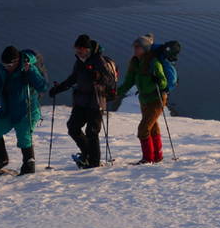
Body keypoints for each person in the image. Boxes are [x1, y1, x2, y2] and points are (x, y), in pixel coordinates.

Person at [0, 46, 47, 175]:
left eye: (9, 64)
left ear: (17, 62)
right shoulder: (3, 70)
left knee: (24, 137)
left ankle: (29, 164)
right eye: (4, 64)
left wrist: (31, 71)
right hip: (8, 110)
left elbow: (43, 87)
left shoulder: (28, 68)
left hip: (26, 111)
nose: (7, 67)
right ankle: (1, 158)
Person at [49, 34, 109, 169]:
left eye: (80, 49)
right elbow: (73, 78)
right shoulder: (79, 62)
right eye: (77, 49)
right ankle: (87, 154)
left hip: (96, 101)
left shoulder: (98, 60)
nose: (78, 52)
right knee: (73, 127)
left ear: (87, 49)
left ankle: (94, 162)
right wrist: (58, 89)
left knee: (92, 132)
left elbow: (108, 79)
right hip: (81, 101)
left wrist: (98, 75)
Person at [116, 34, 168, 164]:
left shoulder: (153, 63)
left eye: (138, 47)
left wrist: (157, 81)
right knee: (152, 127)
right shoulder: (135, 62)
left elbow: (163, 83)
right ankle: (157, 156)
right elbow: (129, 81)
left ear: (145, 49)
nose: (135, 50)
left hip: (157, 99)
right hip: (144, 100)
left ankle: (148, 159)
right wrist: (116, 93)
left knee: (143, 129)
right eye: (134, 47)